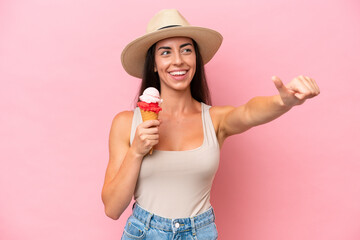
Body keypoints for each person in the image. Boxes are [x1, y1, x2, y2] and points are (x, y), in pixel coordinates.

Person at [101, 9, 320, 240]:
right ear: (153, 64)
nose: (178, 60)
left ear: (196, 58)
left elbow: (248, 112)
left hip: (200, 233)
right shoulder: (126, 123)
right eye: (165, 52)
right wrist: (136, 151)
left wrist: (283, 101)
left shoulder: (214, 119)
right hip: (144, 233)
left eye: (186, 50)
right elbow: (112, 209)